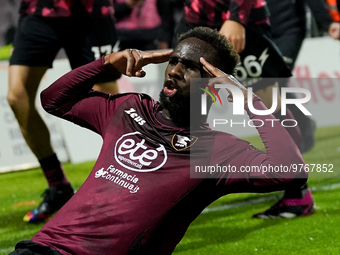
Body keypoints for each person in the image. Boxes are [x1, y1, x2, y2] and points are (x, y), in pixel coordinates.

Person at [9, 26, 308, 255]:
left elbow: (291, 171)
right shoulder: (128, 109)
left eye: (191, 67)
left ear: (215, 85)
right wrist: (106, 64)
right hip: (39, 247)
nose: (175, 71)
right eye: (174, 61)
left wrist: (247, 99)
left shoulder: (216, 150)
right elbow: (53, 101)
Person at [174, 0, 313, 218]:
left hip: (242, 21)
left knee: (269, 104)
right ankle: (174, 192)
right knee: (187, 107)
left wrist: (236, 18)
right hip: (194, 19)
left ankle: (297, 195)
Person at [7, 0, 121, 223]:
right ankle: (58, 186)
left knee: (112, 104)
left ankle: (124, 187)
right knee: (17, 97)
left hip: (91, 12)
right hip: (39, 10)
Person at [252, 0, 340, 219]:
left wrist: (328, 20)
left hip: (287, 30)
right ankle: (302, 121)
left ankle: (297, 192)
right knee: (269, 94)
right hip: (257, 33)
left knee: (270, 91)